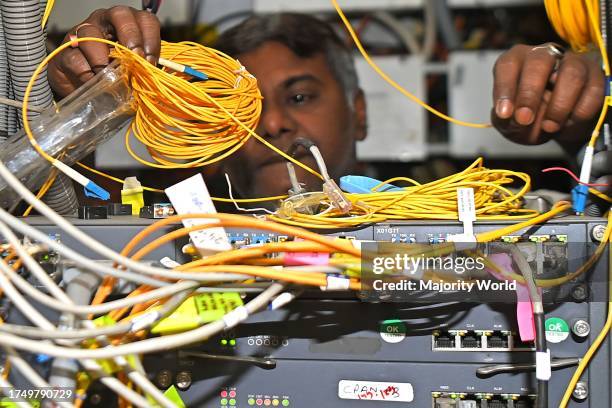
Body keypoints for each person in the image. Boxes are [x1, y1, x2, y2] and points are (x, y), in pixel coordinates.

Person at [48, 6, 606, 200]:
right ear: (208, 137)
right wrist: (85, 105)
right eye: (235, 104)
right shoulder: (162, 244)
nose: (271, 121)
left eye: (299, 95)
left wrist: (589, 128)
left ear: (360, 113)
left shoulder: (453, 224)